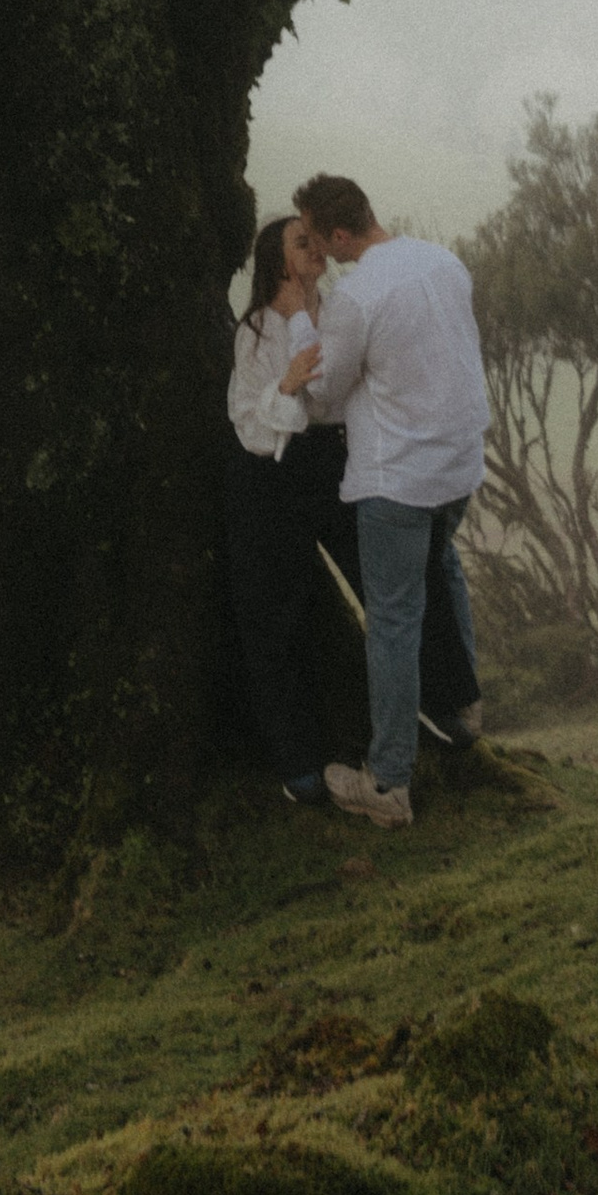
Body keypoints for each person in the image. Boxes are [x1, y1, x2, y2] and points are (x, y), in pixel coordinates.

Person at [294, 169, 488, 830]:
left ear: (339, 235)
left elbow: (324, 396)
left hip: (398, 479)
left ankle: (388, 783)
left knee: (394, 621)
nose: (318, 254)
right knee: (444, 568)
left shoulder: (356, 296)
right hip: (458, 466)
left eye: (316, 239)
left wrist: (297, 361)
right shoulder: (443, 261)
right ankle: (462, 707)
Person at [224, 209, 344, 800]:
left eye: (317, 239)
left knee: (380, 585)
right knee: (278, 615)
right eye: (303, 242)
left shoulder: (340, 312)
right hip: (269, 477)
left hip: (336, 462)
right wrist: (289, 384)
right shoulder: (254, 331)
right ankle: (298, 763)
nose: (316, 248)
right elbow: (250, 424)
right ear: (278, 262)